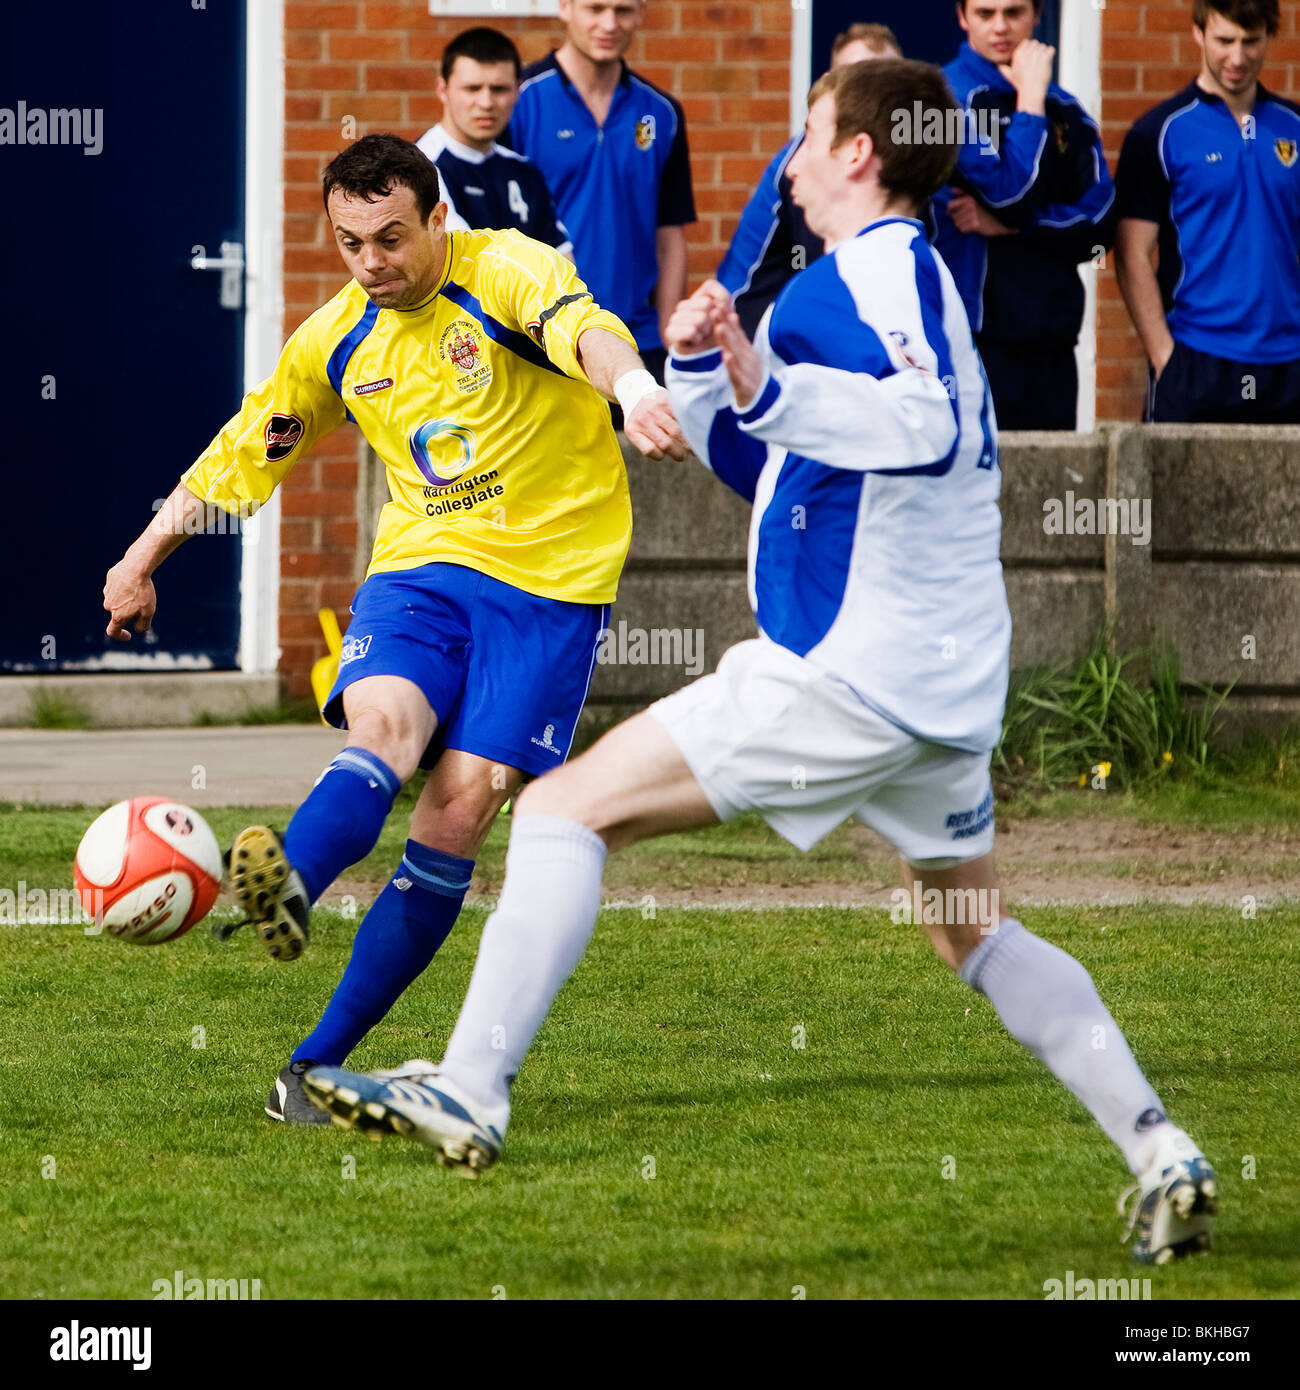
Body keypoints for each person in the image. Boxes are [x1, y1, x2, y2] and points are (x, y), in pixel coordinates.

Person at [303, 63, 1217, 1267]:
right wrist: (702, 370)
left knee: (564, 812)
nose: (788, 158)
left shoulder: (874, 271)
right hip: (938, 688)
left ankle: (470, 1084)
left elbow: (926, 420)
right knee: (970, 926)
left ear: (856, 157)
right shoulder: (865, 284)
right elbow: (768, 462)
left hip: (850, 668)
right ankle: (1161, 1147)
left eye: (806, 134)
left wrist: (764, 377)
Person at [101, 133, 686, 1125]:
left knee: (454, 816)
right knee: (384, 729)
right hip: (420, 570)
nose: (372, 261)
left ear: (435, 221)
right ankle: (287, 884)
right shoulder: (336, 339)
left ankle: (314, 1064)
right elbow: (250, 449)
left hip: (549, 584)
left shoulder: (505, 270)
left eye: (390, 237)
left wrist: (634, 392)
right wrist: (141, 556)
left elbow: (587, 330)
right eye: (349, 242)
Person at [932, 0, 1116, 430]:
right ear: (962, 17)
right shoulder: (943, 101)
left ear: (1037, 15)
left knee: (1051, 490)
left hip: (1050, 342)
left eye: (1014, 12)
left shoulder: (1067, 111)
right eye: (985, 13)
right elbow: (1011, 195)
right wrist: (1030, 100)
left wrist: (1014, 228)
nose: (1000, 27)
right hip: (972, 342)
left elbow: (1101, 225)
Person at [1115, 0, 1300, 423]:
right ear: (1198, 32)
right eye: (1224, 40)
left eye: (1251, 41)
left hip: (1289, 364)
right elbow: (1131, 254)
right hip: (1195, 359)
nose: (1237, 57)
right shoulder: (1157, 133)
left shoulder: (1294, 128)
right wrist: (1164, 355)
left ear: (1269, 37)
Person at [506, 0, 695, 383]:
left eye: (623, 10)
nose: (609, 23)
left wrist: (668, 336)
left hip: (638, 340)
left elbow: (669, 235)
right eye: (595, 8)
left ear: (641, 12)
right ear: (565, 8)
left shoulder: (661, 113)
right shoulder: (517, 101)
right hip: (547, 341)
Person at [718, 22, 902, 338]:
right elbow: (749, 278)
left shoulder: (903, 155)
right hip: (770, 339)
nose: (870, 95)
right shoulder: (801, 165)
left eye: (882, 81)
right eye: (855, 80)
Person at [415, 27, 572, 257]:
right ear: (443, 89)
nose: (486, 102)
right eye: (472, 88)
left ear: (518, 90)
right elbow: (467, 269)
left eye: (499, 89)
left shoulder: (524, 170)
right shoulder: (419, 170)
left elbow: (564, 265)